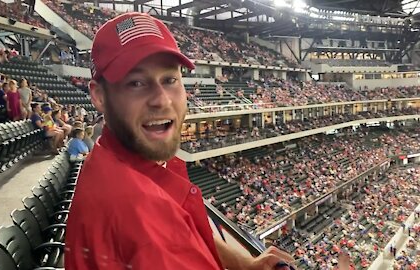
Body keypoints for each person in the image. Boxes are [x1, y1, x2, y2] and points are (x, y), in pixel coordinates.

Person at [65, 12, 295, 270]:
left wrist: (245, 264)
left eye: (170, 80)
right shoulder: (142, 219)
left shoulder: (123, 160)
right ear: (99, 96)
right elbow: (165, 237)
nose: (162, 100)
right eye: (137, 83)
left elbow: (186, 230)